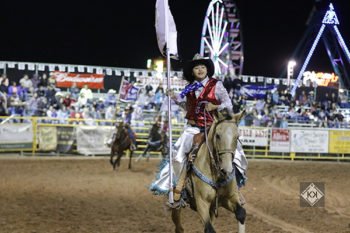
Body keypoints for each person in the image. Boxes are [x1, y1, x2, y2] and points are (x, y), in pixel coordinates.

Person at [149, 54, 247, 207]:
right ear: (192, 71)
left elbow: (228, 104)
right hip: (194, 128)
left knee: (235, 151)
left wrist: (215, 106)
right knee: (179, 154)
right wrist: (174, 97)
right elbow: (187, 107)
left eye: (202, 67)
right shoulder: (189, 88)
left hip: (214, 127)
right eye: (196, 67)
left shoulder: (217, 85)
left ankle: (235, 188)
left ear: (207, 69)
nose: (200, 70)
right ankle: (179, 187)